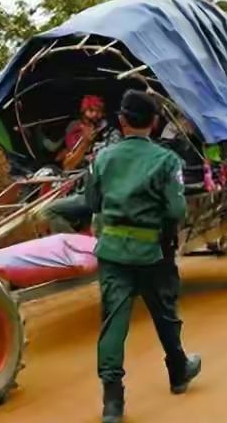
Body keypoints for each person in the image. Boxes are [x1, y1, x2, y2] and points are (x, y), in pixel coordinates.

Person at [86, 90, 201, 423]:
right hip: (154, 254)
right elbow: (177, 210)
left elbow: (92, 202)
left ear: (121, 121)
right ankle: (178, 372)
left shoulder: (102, 159)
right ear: (154, 122)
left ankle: (112, 404)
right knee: (165, 314)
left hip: (112, 254)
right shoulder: (168, 161)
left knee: (113, 325)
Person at [41, 95, 122, 234]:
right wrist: (85, 142)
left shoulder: (112, 134)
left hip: (104, 189)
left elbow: (113, 162)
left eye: (98, 111)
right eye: (90, 110)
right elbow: (68, 166)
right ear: (83, 113)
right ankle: (75, 245)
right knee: (47, 212)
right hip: (81, 190)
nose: (95, 115)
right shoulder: (78, 134)